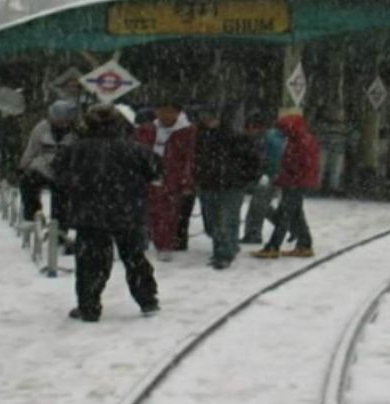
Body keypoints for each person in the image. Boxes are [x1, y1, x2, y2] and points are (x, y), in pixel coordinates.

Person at [54, 104, 161, 322]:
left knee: (90, 263)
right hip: (128, 211)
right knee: (135, 257)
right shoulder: (136, 149)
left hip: (89, 213)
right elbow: (155, 172)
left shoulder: (74, 150)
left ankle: (89, 306)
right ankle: (147, 300)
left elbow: (59, 176)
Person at [194, 105, 262, 269]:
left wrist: (246, 178)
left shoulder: (235, 139)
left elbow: (253, 160)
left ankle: (224, 252)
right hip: (210, 183)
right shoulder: (201, 137)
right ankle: (227, 245)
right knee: (213, 221)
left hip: (230, 184)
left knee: (225, 219)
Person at [134, 100, 196, 261]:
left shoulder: (187, 132)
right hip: (146, 177)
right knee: (143, 212)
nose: (165, 115)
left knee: (167, 214)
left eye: (169, 111)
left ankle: (165, 244)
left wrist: (186, 179)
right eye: (161, 111)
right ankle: (142, 243)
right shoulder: (146, 130)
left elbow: (190, 158)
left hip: (171, 180)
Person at [253, 113, 321, 259]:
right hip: (297, 182)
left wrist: (284, 177)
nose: (281, 132)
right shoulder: (303, 140)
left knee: (285, 214)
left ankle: (273, 246)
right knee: (295, 213)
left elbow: (295, 165)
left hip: (294, 183)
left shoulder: (298, 142)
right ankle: (304, 243)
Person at [19, 100, 79, 227]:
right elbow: (32, 149)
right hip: (43, 168)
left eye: (64, 121)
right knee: (28, 182)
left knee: (62, 193)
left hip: (65, 171)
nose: (60, 124)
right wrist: (23, 166)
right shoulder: (41, 128)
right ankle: (33, 214)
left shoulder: (76, 133)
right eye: (57, 120)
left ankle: (59, 224)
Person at [241, 111, 285, 245]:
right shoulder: (269, 138)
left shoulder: (269, 140)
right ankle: (284, 224)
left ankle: (253, 234)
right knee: (262, 206)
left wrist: (267, 174)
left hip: (269, 177)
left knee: (258, 206)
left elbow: (273, 160)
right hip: (267, 176)